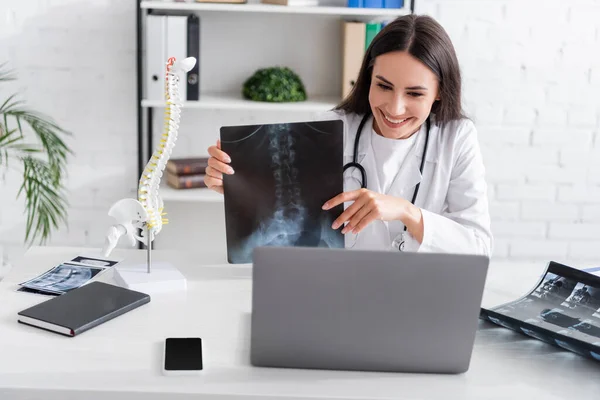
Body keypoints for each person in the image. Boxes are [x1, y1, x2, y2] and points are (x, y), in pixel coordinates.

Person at [204, 14, 493, 256]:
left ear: (440, 91)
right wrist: (236, 187)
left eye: (415, 93)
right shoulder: (330, 128)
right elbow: (286, 216)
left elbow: (479, 247)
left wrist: (407, 212)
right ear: (369, 77)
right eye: (383, 86)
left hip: (418, 292)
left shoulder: (456, 138)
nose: (394, 108)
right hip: (338, 289)